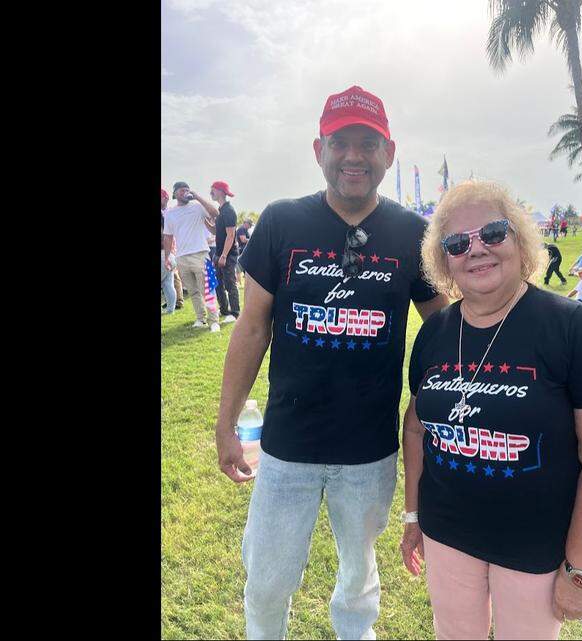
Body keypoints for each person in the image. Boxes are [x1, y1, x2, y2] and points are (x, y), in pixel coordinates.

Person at [212, 85, 450, 640]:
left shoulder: (411, 234)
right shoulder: (280, 222)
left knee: (358, 581)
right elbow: (251, 328)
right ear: (318, 149)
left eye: (368, 144)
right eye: (340, 142)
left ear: (388, 154)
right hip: (287, 447)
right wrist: (225, 425)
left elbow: (444, 325)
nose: (353, 157)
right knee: (267, 580)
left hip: (368, 451)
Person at [400, 180, 582, 640]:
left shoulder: (570, 328)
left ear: (520, 239)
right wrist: (413, 517)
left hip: (536, 547)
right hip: (447, 533)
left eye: (493, 232)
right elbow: (416, 429)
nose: (476, 250)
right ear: (442, 260)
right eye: (456, 243)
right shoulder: (434, 334)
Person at [163, 181, 220, 329]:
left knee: (208, 289)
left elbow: (215, 213)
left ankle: (214, 321)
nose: (185, 192)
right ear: (175, 193)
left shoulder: (198, 206)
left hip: (201, 254)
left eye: (187, 190)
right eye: (182, 190)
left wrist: (198, 197)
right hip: (181, 257)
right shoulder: (170, 213)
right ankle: (201, 319)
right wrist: (167, 257)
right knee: (193, 291)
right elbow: (168, 236)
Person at [211, 180, 242, 323]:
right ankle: (224, 310)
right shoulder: (220, 210)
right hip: (218, 254)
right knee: (218, 284)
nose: (211, 192)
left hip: (228, 255)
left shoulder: (229, 210)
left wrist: (223, 255)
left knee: (230, 284)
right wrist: (204, 221)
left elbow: (230, 235)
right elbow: (216, 232)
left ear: (222, 192)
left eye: (213, 189)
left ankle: (235, 312)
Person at [162, 188, 177, 314]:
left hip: (164, 253)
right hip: (170, 253)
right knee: (168, 283)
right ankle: (170, 310)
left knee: (168, 283)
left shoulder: (165, 215)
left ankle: (170, 309)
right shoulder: (168, 214)